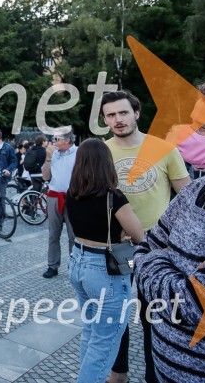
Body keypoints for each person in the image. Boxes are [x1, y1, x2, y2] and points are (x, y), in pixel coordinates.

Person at [136, 74, 205, 382]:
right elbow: (146, 246)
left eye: (203, 128)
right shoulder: (195, 191)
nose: (188, 134)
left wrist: (157, 261)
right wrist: (175, 269)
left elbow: (190, 307)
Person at [100, 90, 190, 383]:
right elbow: (93, 198)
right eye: (111, 115)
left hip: (157, 246)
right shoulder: (102, 152)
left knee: (154, 315)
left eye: (123, 112)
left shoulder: (164, 149)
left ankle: (155, 375)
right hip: (117, 246)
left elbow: (187, 198)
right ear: (105, 120)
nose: (118, 119)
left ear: (136, 114)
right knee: (116, 313)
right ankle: (119, 372)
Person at [65, 139, 144, 383]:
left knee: (90, 331)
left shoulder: (72, 192)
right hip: (104, 270)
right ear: (107, 163)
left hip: (78, 261)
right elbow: (139, 235)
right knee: (105, 341)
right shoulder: (113, 197)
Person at [41, 126, 78, 278]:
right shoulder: (53, 154)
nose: (53, 141)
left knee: (73, 235)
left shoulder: (79, 153)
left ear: (67, 140)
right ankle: (52, 265)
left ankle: (74, 265)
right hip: (54, 196)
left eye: (57, 138)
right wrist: (48, 158)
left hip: (73, 197)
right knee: (53, 234)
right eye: (53, 138)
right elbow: (45, 176)